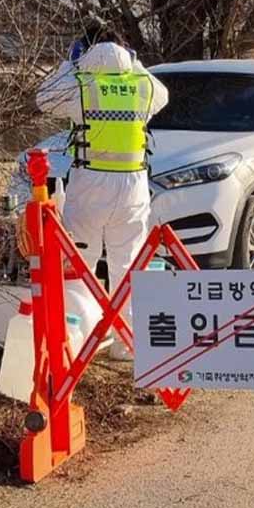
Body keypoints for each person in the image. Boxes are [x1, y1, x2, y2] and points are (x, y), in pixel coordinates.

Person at [35, 34, 169, 359]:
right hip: (133, 184)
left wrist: (70, 64)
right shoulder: (140, 84)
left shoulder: (82, 84)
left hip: (91, 181)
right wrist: (134, 63)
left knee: (82, 262)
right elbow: (163, 95)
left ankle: (82, 337)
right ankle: (128, 343)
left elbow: (44, 99)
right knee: (129, 264)